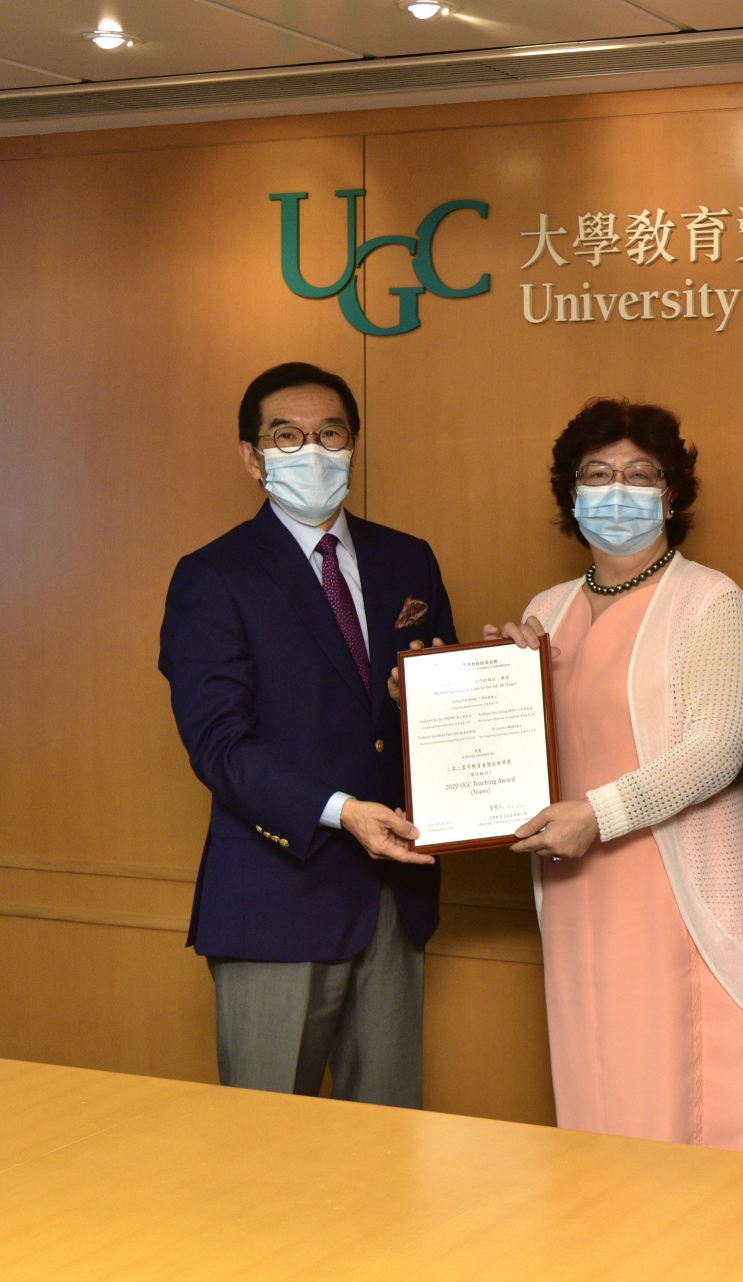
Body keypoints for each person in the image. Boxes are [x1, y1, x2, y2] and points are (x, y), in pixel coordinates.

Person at [488, 398, 743, 1151]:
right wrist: (475, 686)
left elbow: (716, 750)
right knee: (598, 1096)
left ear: (672, 492)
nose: (618, 490)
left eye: (640, 474)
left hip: (684, 885)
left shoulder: (712, 601)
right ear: (571, 493)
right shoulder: (545, 610)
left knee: (685, 1110)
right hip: (578, 885)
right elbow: (519, 750)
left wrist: (598, 814)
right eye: (598, 474)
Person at [160, 361, 454, 1106]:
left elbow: (443, 708)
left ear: (354, 445)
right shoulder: (211, 575)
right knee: (267, 1155)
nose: (313, 451)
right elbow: (220, 747)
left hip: (395, 896)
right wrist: (342, 810)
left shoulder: (407, 558)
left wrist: (427, 697)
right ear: (252, 457)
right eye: (287, 437)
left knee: (390, 1145)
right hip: (274, 897)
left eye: (330, 434)